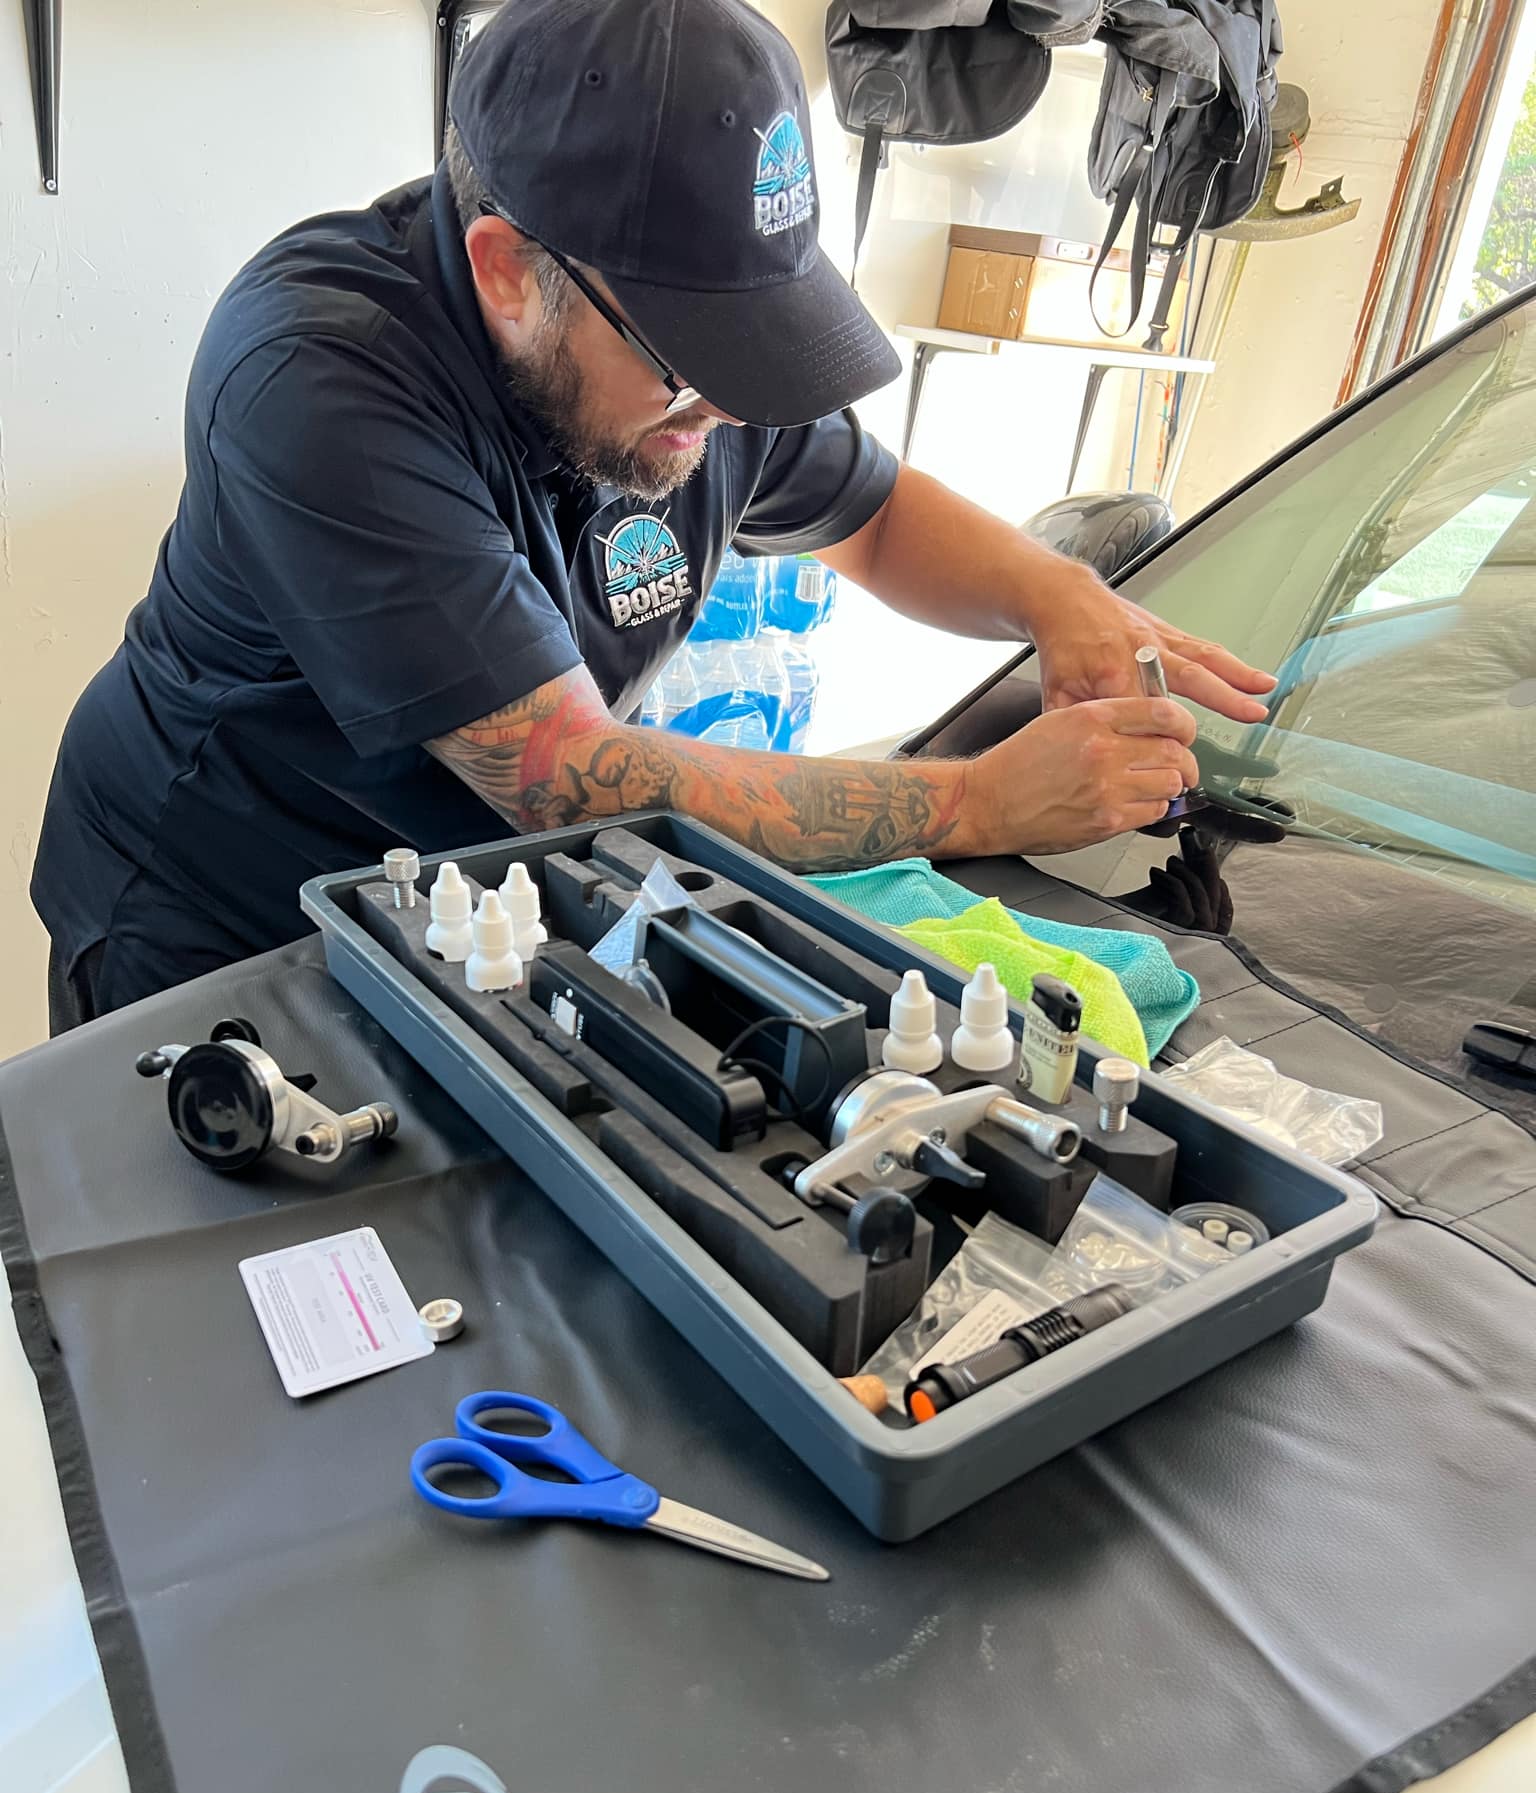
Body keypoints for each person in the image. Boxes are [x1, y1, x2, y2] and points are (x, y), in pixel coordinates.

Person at [33, 0, 1272, 1031]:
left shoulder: (686, 343)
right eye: (690, 359)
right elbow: (563, 773)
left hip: (462, 909)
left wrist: (1061, 599)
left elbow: (878, 517)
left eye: (756, 347)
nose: (729, 409)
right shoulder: (316, 379)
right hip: (221, 912)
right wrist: (980, 803)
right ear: (509, 270)